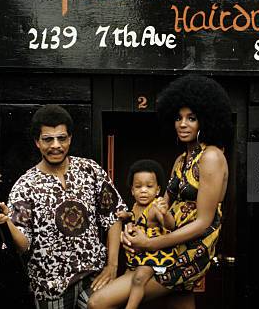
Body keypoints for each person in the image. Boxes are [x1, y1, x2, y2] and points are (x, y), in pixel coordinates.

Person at [88, 75, 232, 309]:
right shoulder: (180, 160)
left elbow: (204, 222)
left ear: (206, 120)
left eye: (191, 118)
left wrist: (152, 244)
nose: (182, 124)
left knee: (98, 303)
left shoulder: (211, 157)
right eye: (178, 118)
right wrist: (134, 229)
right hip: (169, 245)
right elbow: (159, 206)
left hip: (193, 251)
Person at [0, 104, 126, 308]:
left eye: (61, 138)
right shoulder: (26, 186)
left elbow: (113, 215)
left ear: (70, 138)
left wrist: (112, 265)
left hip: (94, 279)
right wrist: (5, 222)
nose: (55, 145)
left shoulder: (90, 170)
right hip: (50, 288)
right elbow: (22, 245)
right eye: (48, 139)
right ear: (37, 141)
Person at [117, 159, 176, 309]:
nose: (143, 190)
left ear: (157, 190)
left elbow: (170, 225)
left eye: (149, 186)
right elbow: (135, 216)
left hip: (154, 254)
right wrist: (127, 215)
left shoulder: (155, 208)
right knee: (128, 275)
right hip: (139, 254)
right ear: (132, 190)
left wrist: (166, 213)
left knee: (139, 278)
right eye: (138, 186)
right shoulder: (136, 206)